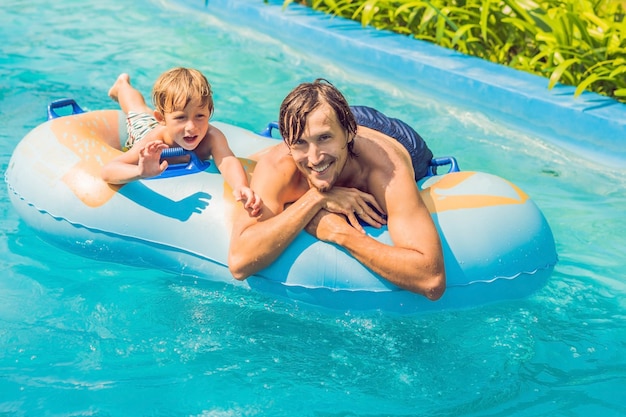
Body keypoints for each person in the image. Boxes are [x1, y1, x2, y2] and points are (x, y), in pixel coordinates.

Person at [228, 79, 446, 300]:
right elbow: (239, 263)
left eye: (324, 139)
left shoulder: (385, 171)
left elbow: (431, 279)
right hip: (334, 121)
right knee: (311, 130)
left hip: (393, 136)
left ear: (350, 133)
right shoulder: (280, 163)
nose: (314, 158)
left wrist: (341, 233)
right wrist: (314, 200)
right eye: (300, 143)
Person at [103, 67, 261, 215]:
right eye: (180, 117)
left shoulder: (212, 137)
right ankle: (122, 85)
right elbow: (108, 171)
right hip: (144, 130)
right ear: (162, 119)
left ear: (210, 112)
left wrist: (240, 185)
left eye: (200, 116)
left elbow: (227, 161)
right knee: (137, 111)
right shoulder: (153, 141)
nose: (192, 127)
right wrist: (139, 172)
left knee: (142, 110)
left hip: (166, 125)